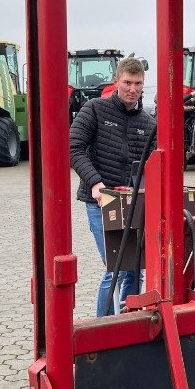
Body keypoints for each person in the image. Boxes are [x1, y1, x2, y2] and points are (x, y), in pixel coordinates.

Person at [69, 57, 156, 316]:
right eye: (127, 82)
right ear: (116, 81)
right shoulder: (94, 109)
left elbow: (154, 165)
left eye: (138, 83)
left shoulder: (148, 124)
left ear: (143, 84)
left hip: (133, 203)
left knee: (135, 267)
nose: (132, 89)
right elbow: (74, 148)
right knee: (116, 266)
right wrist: (95, 183)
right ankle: (103, 326)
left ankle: (127, 322)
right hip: (101, 202)